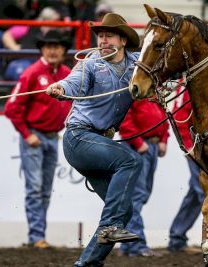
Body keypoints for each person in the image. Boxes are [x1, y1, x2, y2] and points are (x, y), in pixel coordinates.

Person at [45, 13, 143, 266]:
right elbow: (73, 82)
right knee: (130, 161)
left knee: (123, 210)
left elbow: (161, 73)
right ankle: (108, 230)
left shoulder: (137, 65)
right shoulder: (90, 63)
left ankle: (87, 263)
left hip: (96, 142)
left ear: (122, 40)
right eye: (100, 36)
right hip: (79, 138)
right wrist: (61, 88)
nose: (103, 40)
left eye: (109, 35)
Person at [4, 29, 72, 249]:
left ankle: (37, 235)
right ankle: (36, 236)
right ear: (43, 49)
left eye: (57, 47)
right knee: (35, 188)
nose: (53, 50)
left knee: (43, 189)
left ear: (63, 50)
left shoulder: (66, 73)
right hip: (35, 135)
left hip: (52, 136)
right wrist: (26, 134)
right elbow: (12, 108)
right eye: (49, 46)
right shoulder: (32, 73)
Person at [118, 98, 170, 257]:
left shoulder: (153, 91)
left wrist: (163, 139)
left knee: (139, 195)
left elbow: (164, 116)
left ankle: (127, 245)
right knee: (138, 196)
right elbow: (124, 120)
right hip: (139, 147)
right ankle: (137, 245)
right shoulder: (134, 91)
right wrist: (138, 141)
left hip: (149, 146)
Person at [166, 82, 205, 253]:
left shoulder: (188, 85)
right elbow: (180, 118)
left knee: (197, 193)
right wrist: (189, 147)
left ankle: (177, 236)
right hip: (197, 148)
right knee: (206, 192)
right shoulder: (189, 85)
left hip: (199, 147)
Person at [2, 6, 64, 81]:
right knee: (19, 69)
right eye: (52, 22)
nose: (54, 26)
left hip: (44, 64)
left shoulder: (58, 33)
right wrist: (14, 47)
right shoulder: (29, 27)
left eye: (56, 23)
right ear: (43, 20)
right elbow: (7, 35)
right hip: (23, 60)